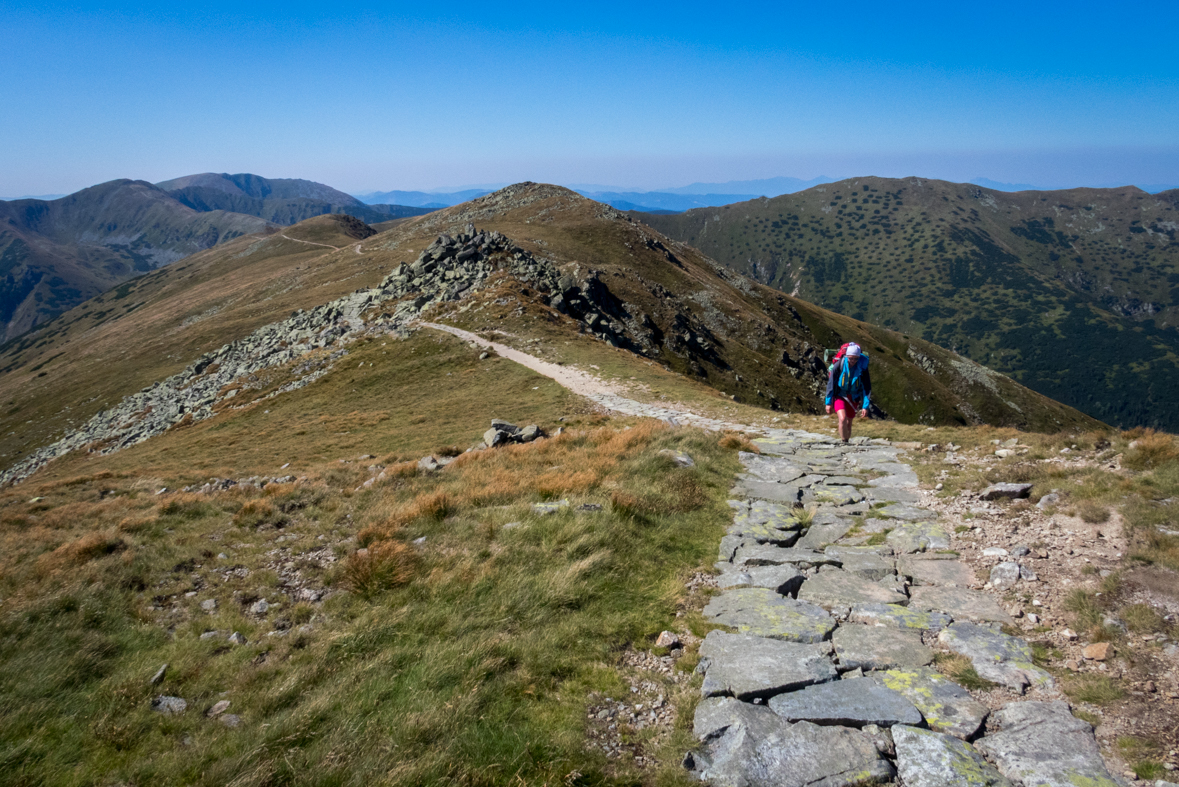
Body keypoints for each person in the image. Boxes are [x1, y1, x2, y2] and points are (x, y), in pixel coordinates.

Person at [824, 343, 871, 443]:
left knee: (849, 422)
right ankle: (843, 442)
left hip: (854, 397)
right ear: (846, 356)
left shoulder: (862, 367)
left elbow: (867, 387)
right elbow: (831, 384)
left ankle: (846, 441)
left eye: (855, 358)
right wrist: (828, 403)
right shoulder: (839, 365)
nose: (853, 361)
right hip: (839, 395)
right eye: (850, 358)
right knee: (842, 418)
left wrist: (865, 406)